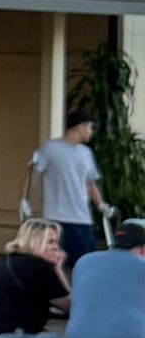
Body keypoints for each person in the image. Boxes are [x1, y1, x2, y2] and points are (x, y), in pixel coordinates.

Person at [25, 112, 104, 269]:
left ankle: (78, 293)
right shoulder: (50, 148)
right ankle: (59, 293)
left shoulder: (86, 153)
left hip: (82, 219)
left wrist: (101, 205)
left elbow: (90, 183)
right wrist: (24, 201)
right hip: (56, 219)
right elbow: (32, 174)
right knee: (54, 263)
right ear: (79, 127)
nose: (91, 131)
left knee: (84, 265)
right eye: (89, 127)